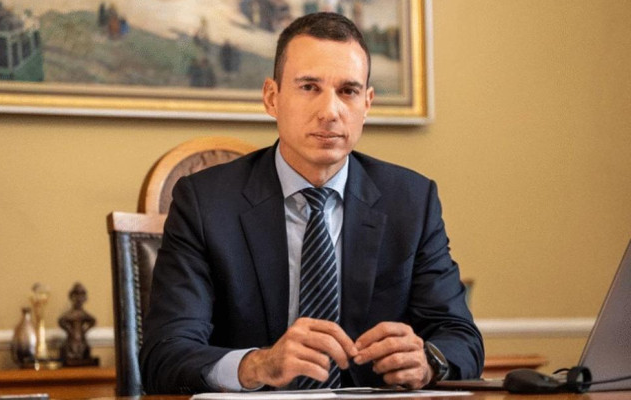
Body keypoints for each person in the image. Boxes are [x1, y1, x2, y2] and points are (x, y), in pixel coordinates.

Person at [140, 12, 484, 394]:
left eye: (348, 91)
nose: (330, 112)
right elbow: (164, 356)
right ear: (272, 98)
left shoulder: (411, 202)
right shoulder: (205, 203)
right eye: (309, 87)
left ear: (367, 104)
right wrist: (257, 364)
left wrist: (428, 362)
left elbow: (460, 336)